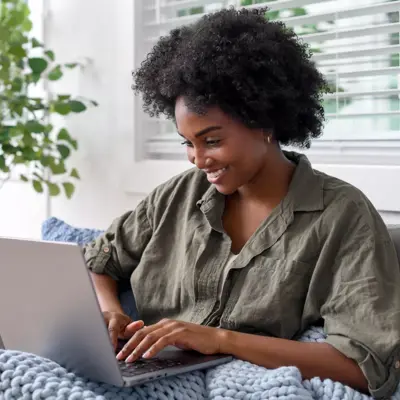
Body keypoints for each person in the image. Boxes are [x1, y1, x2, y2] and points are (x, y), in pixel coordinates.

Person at [84, 7, 400, 399]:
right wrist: (109, 312)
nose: (198, 160)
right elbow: (99, 260)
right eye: (188, 143)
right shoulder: (177, 196)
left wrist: (220, 339)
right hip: (138, 371)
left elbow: (363, 366)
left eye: (212, 140)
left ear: (264, 123)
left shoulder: (341, 215)